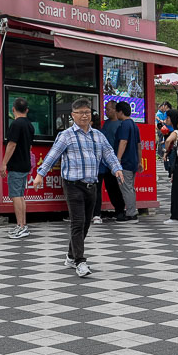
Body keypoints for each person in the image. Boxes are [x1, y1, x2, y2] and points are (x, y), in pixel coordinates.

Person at [35, 98, 124, 278]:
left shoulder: (98, 135)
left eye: (87, 112)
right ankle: (80, 262)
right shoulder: (66, 135)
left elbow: (109, 153)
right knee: (77, 222)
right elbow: (53, 155)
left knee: (85, 224)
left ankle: (70, 256)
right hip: (73, 184)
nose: (85, 116)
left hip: (92, 185)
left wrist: (117, 169)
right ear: (73, 115)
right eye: (81, 113)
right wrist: (40, 175)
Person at [1, 98, 36, 239]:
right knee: (20, 195)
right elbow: (29, 146)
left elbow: (11, 144)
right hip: (25, 164)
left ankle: (21, 226)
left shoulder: (16, 124)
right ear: (26, 110)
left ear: (13, 109)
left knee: (16, 195)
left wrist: (4, 163)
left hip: (16, 165)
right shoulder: (29, 125)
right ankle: (22, 225)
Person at [93, 101, 127, 223]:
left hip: (114, 161)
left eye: (108, 109)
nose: (106, 112)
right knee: (105, 187)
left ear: (114, 109)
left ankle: (121, 211)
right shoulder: (105, 124)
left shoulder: (121, 124)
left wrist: (117, 159)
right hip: (103, 162)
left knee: (115, 187)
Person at [113, 101, 141, 223]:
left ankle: (131, 214)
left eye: (116, 111)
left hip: (125, 162)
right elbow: (139, 145)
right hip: (133, 161)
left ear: (120, 112)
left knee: (126, 188)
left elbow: (123, 142)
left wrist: (117, 159)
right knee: (130, 188)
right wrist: (139, 161)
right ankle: (132, 211)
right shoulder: (134, 125)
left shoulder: (124, 125)